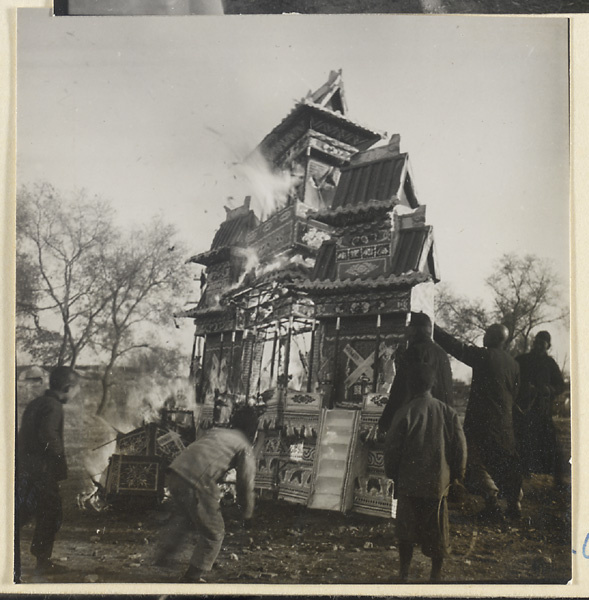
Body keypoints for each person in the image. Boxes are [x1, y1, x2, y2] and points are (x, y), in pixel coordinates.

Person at [384, 356, 467, 582]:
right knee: (438, 531)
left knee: (406, 532)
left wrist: (393, 474)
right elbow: (460, 447)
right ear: (433, 385)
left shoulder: (404, 412)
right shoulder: (448, 412)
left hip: (409, 484)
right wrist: (458, 476)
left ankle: (403, 574)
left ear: (410, 385)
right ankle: (435, 576)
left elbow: (392, 449)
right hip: (438, 485)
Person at [154, 404, 258, 582]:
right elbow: (245, 484)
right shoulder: (244, 446)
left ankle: (163, 557)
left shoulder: (217, 432)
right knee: (214, 532)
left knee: (186, 518)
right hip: (196, 481)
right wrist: (247, 514)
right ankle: (192, 578)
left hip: (175, 473)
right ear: (253, 432)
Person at [434, 323, 522, 520]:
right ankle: (514, 502)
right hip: (505, 424)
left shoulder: (484, 356)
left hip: (481, 422)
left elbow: (457, 348)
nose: (483, 337)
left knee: (473, 463)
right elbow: (515, 394)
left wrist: (433, 328)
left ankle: (492, 502)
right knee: (505, 462)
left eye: (487, 334)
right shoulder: (513, 364)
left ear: (492, 338)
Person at [16, 366, 80, 576]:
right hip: (42, 471)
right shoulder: (54, 406)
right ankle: (42, 562)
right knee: (50, 512)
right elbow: (48, 435)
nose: (76, 393)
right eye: (76, 389)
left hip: (25, 468)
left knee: (22, 512)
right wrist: (59, 456)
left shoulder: (37, 403)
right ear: (68, 387)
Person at [378, 312, 453, 434]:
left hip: (419, 421)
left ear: (413, 331)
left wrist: (385, 423)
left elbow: (400, 391)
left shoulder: (413, 352)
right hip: (441, 421)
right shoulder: (442, 353)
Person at [515, 331, 566, 487]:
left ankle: (559, 479)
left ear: (548, 346)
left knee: (551, 444)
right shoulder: (521, 360)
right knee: (520, 443)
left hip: (542, 411)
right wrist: (524, 389)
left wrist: (548, 389)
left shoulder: (550, 363)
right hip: (522, 409)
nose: (537, 346)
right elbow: (512, 380)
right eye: (536, 342)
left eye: (542, 344)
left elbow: (561, 385)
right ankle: (518, 479)